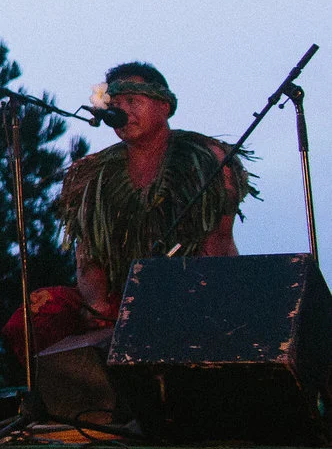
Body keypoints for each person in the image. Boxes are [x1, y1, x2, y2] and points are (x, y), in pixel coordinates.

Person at [61, 61, 250, 322]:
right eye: (114, 105)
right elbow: (88, 256)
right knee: (38, 314)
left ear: (164, 106)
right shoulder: (92, 175)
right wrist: (99, 306)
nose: (122, 111)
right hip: (120, 302)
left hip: (198, 288)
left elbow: (215, 240)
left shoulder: (208, 158)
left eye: (132, 101)